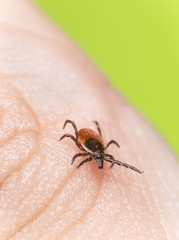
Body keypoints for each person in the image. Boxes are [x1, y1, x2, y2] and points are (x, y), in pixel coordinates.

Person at [0, 1, 179, 239]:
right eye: (98, 158)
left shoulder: (100, 150)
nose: (99, 160)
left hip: (90, 136)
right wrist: (85, 152)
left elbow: (103, 148)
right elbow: (85, 142)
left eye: (100, 157)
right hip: (87, 135)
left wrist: (101, 153)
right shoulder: (87, 146)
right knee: (73, 132)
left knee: (89, 138)